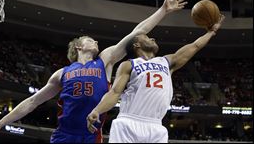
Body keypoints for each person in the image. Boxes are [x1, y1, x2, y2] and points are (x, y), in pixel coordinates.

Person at [0, 0, 188, 143]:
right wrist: (1, 123)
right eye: (92, 40)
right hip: (64, 135)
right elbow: (32, 101)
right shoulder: (61, 74)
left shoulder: (105, 61)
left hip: (91, 136)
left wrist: (163, 11)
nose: (97, 43)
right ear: (79, 46)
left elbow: (137, 32)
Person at [87, 15, 225, 143]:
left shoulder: (166, 61)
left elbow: (195, 46)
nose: (152, 39)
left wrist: (211, 32)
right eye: (147, 37)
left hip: (156, 126)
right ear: (136, 45)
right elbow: (115, 93)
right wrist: (97, 110)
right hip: (128, 121)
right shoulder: (129, 64)